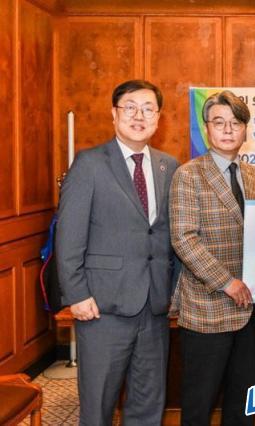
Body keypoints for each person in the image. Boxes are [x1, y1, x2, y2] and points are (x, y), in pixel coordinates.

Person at [56, 79, 179, 425]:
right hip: (102, 307)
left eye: (148, 109)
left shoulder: (169, 166)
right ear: (114, 113)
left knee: (148, 403)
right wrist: (76, 294)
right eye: (130, 108)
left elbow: (168, 234)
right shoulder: (90, 163)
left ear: (158, 118)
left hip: (154, 306)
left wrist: (172, 291)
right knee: (98, 405)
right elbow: (69, 234)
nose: (139, 116)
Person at [169, 91, 255, 426]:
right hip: (207, 306)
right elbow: (184, 238)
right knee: (200, 402)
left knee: (243, 401)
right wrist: (226, 282)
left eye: (235, 123)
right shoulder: (188, 174)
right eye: (219, 122)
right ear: (206, 128)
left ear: (245, 130)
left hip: (248, 308)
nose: (227, 130)